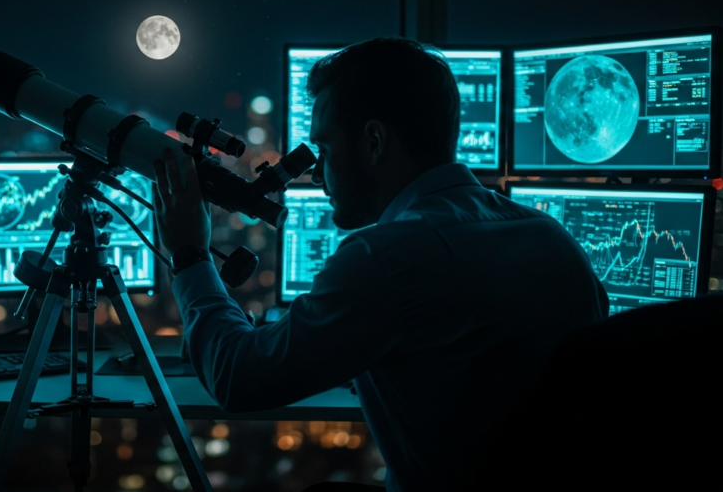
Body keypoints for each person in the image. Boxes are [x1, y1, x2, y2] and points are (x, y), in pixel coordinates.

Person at [151, 37, 608, 491]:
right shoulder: (552, 238)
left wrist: (189, 253)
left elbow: (237, 378)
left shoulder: (384, 258)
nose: (316, 175)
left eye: (325, 152)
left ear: (373, 142)